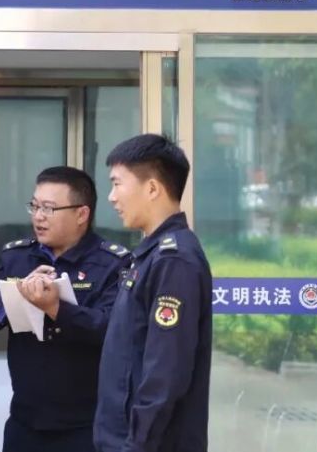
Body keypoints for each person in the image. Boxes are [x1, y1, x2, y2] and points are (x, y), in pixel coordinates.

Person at [0, 166, 129, 452]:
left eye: (49, 208)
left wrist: (56, 308)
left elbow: (111, 330)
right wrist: (17, 295)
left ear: (81, 214)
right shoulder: (18, 257)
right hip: (25, 423)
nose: (38, 216)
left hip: (86, 426)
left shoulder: (112, 264)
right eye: (35, 206)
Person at [93, 135, 213, 452]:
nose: (111, 197)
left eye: (117, 184)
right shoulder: (151, 255)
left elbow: (165, 373)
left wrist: (137, 445)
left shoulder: (174, 261)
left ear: (152, 189)